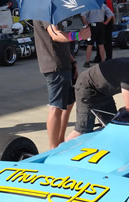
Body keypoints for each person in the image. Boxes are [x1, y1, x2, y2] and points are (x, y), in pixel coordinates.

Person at [66, 57, 129, 140]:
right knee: (83, 129)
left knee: (113, 125)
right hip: (87, 87)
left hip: (103, 91)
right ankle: (58, 152)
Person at [33, 21, 91, 149]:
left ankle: (59, 143)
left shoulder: (54, 11)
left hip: (64, 63)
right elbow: (55, 35)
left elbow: (60, 40)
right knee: (56, 106)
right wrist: (78, 36)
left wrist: (72, 61)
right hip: (54, 64)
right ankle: (53, 148)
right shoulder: (46, 10)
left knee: (68, 104)